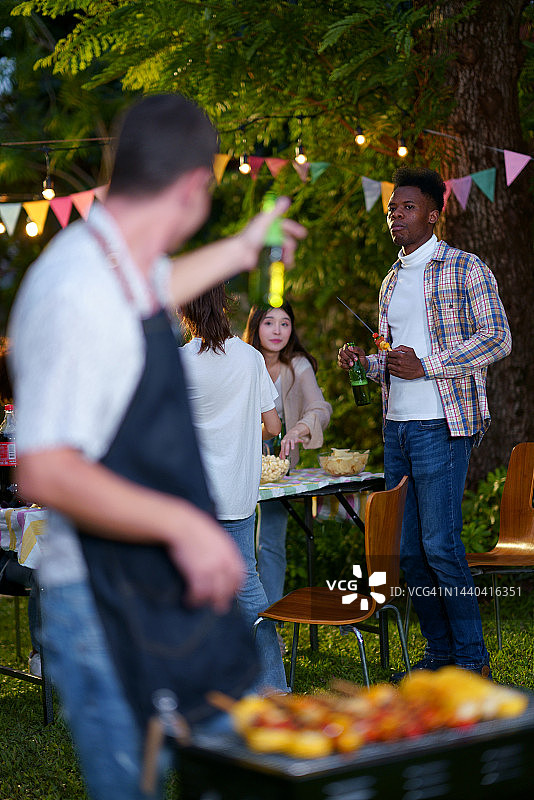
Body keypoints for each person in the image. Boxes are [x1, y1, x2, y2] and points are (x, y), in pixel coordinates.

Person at [8, 93, 306, 800]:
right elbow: (44, 470)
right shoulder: (79, 290)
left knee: (226, 771)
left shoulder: (116, 258)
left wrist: (239, 249)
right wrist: (184, 524)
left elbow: (160, 282)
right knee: (136, 788)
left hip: (158, 580)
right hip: (102, 600)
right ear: (195, 187)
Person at [338, 167, 511, 680]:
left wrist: (428, 363)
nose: (395, 214)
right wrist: (366, 365)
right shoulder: (391, 281)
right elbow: (394, 358)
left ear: (434, 214)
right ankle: (439, 656)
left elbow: (498, 338)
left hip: (440, 423)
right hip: (398, 426)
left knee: (440, 544)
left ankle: (472, 659)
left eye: (406, 207)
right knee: (409, 552)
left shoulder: (465, 268)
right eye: (392, 207)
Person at [180, 285, 289, 693]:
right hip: (238, 498)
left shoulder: (181, 364)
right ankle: (274, 685)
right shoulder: (250, 357)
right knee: (248, 591)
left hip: (193, 500)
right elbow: (274, 426)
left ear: (186, 313)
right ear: (225, 307)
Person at [243, 301, 332, 606]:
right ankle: (237, 628)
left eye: (285, 323)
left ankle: (268, 625)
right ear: (255, 326)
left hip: (277, 465)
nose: (278, 330)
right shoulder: (242, 360)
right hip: (238, 461)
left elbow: (321, 409)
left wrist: (298, 430)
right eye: (269, 322)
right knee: (237, 544)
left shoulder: (298, 366)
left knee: (270, 543)